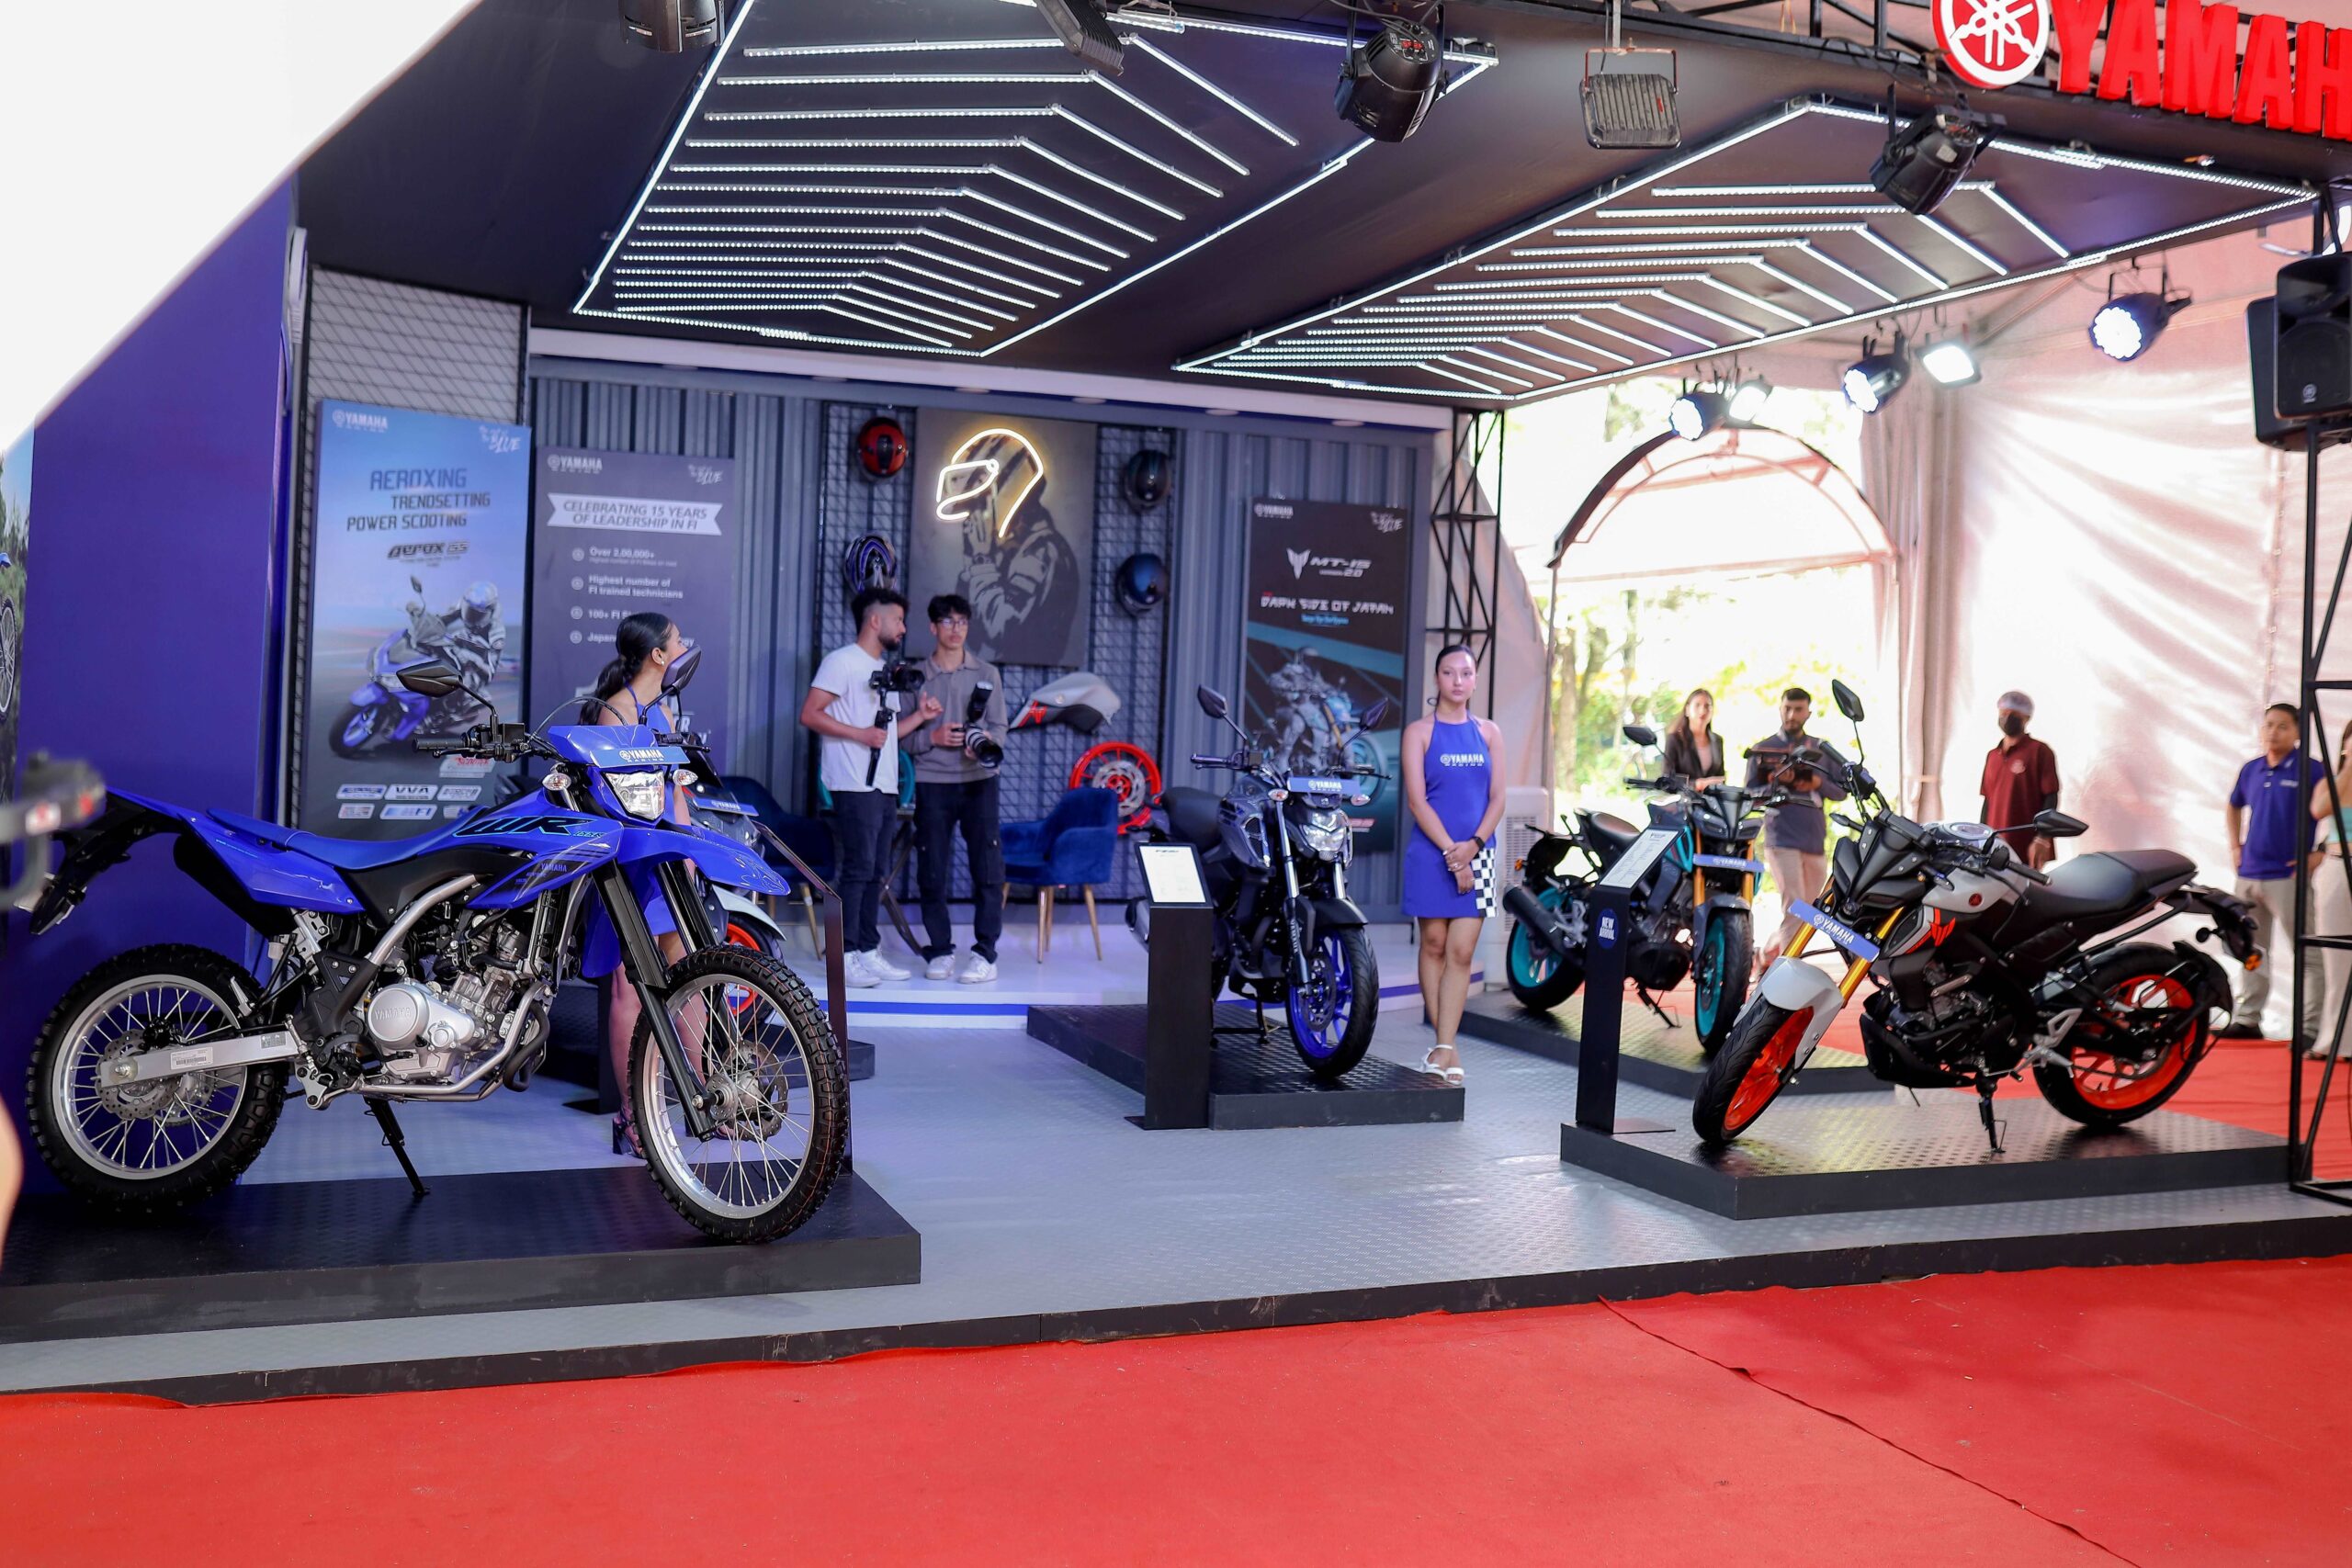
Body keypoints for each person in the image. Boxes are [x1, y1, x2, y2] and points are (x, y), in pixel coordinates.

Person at [577, 611, 695, 1156]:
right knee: (629, 986)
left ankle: (702, 1097)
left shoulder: (663, 710)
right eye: (678, 641)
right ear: (658, 655)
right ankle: (632, 1117)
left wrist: (687, 849)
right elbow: (611, 800)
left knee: (689, 974)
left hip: (667, 858)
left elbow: (676, 790)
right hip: (629, 863)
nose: (685, 647)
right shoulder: (613, 714)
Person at [801, 587, 943, 988]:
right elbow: (810, 714)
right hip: (852, 782)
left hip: (884, 785)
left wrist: (922, 717)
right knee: (858, 868)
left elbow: (889, 733)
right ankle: (844, 954)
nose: (903, 628)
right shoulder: (841, 662)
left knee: (877, 870)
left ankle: (867, 949)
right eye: (898, 620)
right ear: (875, 620)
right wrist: (859, 734)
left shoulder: (885, 670)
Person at [1401, 645, 1504, 1087]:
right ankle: (1446, 1045)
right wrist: (1451, 852)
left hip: (1479, 852)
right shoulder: (1419, 732)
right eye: (1449, 673)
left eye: (1466, 673)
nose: (1458, 681)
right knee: (1435, 944)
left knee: (1461, 952)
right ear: (1437, 678)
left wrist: (1473, 848)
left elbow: (1498, 798)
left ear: (1475, 679)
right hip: (1431, 853)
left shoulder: (1489, 733)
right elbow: (1417, 801)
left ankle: (1444, 1045)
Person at [903, 593, 1006, 984]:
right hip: (932, 781)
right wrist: (934, 737)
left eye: (962, 621)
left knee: (987, 867)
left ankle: (985, 953)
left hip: (979, 781)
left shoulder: (987, 672)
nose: (956, 629)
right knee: (931, 868)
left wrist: (980, 741)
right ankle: (940, 949)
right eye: (948, 621)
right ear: (933, 627)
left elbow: (1000, 728)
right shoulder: (916, 676)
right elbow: (902, 738)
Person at [2224, 703, 2327, 1043]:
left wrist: (2320, 852)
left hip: (2288, 876)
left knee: (2307, 953)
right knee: (2252, 950)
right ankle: (2248, 1018)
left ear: (2297, 732)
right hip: (2249, 874)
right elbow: (2233, 804)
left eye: (2283, 726)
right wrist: (2235, 847)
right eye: (2269, 724)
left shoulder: (2312, 770)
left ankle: (2310, 1028)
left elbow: (2339, 810)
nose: (2273, 732)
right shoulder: (2251, 769)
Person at [1746, 686, 1850, 963]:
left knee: (1809, 912)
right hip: (1781, 838)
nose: (1792, 715)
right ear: (1780, 709)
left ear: (1808, 713)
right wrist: (1776, 783)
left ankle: (1766, 954)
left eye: (1798, 709)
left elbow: (1842, 791)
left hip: (1814, 838)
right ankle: (1787, 973)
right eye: (1787, 708)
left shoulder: (1821, 749)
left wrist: (1816, 782)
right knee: (1795, 908)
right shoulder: (1763, 748)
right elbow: (1749, 796)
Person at [2308, 719, 2352, 1060]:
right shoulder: (2331, 781)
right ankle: (2333, 1040)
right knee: (2336, 958)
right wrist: (2349, 767)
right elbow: (2320, 809)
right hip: (2337, 868)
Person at [1979, 690, 2060, 871]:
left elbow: (2051, 797)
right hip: (1995, 845)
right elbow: (1987, 800)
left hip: (2026, 844)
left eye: (2014, 714)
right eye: (2003, 713)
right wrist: (1980, 837)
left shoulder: (2039, 751)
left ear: (2026, 717)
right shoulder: (1993, 756)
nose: (2007, 718)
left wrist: (2042, 838)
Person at [1660, 687, 1724, 788]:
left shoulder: (1717, 741)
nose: (1702, 710)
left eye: (1707, 706)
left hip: (1711, 798)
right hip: (1683, 797)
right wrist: (1696, 784)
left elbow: (1720, 777)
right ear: (1687, 710)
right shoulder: (1675, 739)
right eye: (1697, 705)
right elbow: (1667, 779)